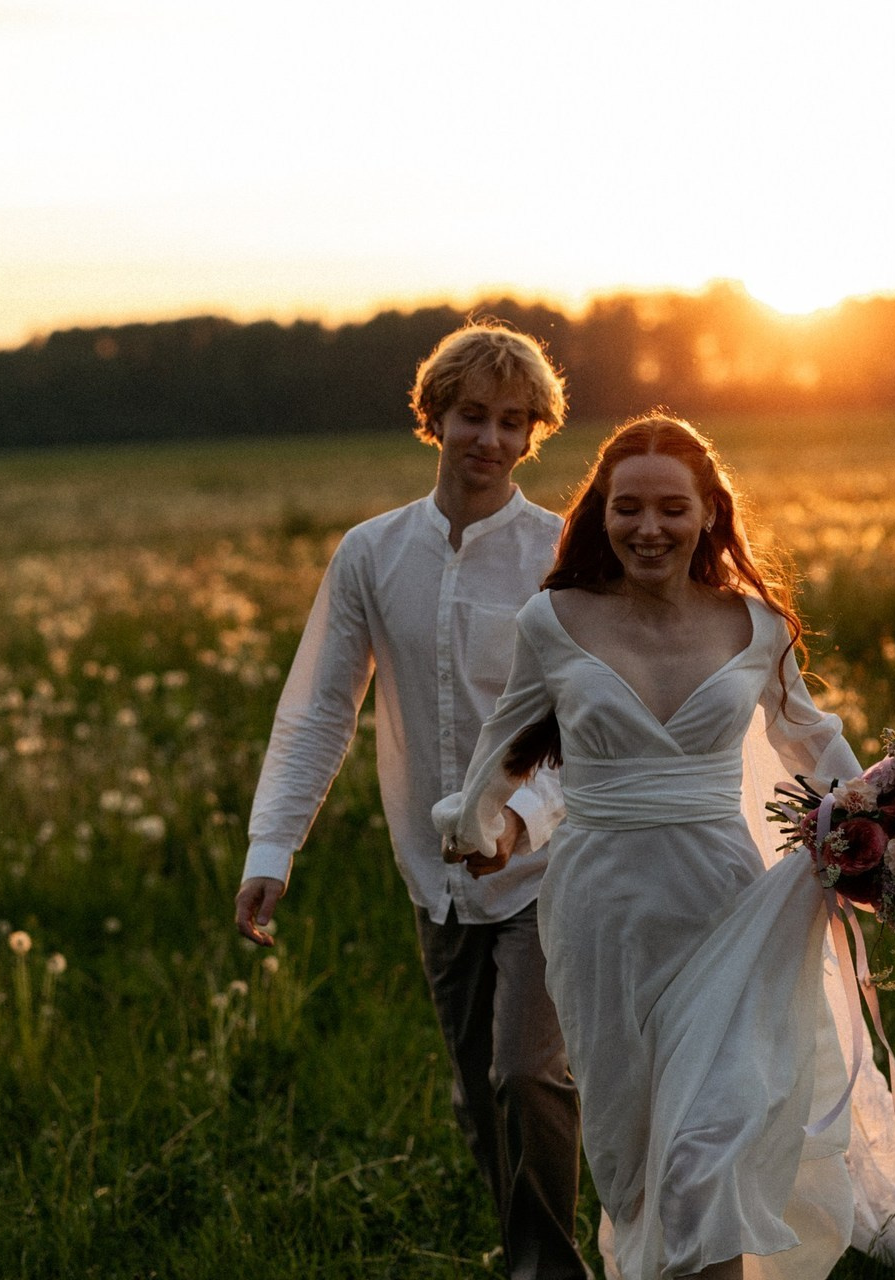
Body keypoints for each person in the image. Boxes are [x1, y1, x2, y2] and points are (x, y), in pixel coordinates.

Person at [433, 413, 895, 1280]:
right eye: (627, 507)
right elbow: (503, 748)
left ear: (710, 513)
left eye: (672, 509)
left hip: (727, 905)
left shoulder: (755, 625)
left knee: (708, 1149)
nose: (649, 528)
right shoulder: (555, 619)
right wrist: (476, 830)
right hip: (603, 912)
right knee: (637, 1156)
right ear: (599, 514)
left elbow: (812, 742)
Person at [235, 321, 594, 1280]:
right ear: (433, 416)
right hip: (432, 876)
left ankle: (546, 1270)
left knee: (526, 1073)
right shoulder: (370, 554)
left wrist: (521, 822)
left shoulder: (562, 555)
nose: (489, 438)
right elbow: (318, 709)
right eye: (472, 414)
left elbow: (590, 732)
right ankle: (530, 1244)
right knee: (481, 1097)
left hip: (542, 867)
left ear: (532, 436)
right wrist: (273, 852)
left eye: (512, 422)